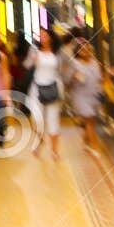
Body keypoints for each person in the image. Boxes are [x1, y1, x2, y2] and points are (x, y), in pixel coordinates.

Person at [26, 26, 65, 159]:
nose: (42, 38)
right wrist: (32, 58)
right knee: (37, 119)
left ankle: (55, 151)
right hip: (37, 89)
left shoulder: (57, 53)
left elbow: (63, 69)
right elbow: (27, 65)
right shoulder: (35, 51)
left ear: (51, 37)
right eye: (40, 35)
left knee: (53, 120)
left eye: (45, 35)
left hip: (53, 88)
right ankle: (39, 141)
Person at [68, 39, 103, 150]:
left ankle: (86, 142)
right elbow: (67, 80)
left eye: (87, 48)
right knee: (89, 119)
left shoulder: (95, 62)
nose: (85, 50)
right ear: (77, 51)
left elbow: (100, 79)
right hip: (80, 96)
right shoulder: (73, 64)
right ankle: (94, 147)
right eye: (81, 48)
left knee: (91, 120)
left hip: (94, 95)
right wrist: (73, 76)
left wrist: (109, 75)